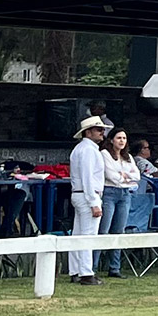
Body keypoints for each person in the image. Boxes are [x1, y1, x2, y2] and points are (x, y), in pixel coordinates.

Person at [66, 115, 110, 285]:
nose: (102, 132)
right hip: (87, 195)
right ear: (88, 132)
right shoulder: (88, 150)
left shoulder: (82, 148)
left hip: (80, 194)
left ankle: (76, 269)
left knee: (79, 233)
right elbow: (88, 177)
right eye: (99, 129)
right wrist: (94, 202)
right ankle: (86, 272)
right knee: (88, 234)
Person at [97, 128, 142, 278]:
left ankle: (114, 268)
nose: (122, 141)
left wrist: (124, 176)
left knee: (119, 231)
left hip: (125, 194)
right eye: (118, 138)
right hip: (109, 192)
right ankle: (93, 267)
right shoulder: (105, 154)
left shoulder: (128, 157)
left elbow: (137, 176)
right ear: (111, 140)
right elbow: (110, 176)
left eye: (124, 138)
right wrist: (124, 177)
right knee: (103, 230)